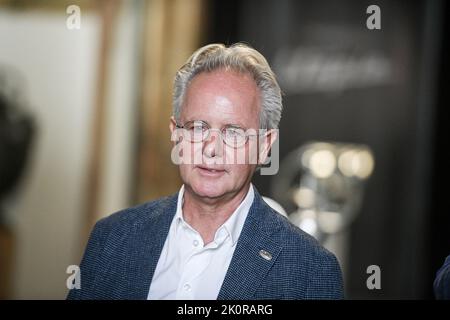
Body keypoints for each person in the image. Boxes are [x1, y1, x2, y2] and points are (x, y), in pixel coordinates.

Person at [67, 43, 344, 300]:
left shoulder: (310, 269)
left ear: (264, 146)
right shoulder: (112, 239)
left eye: (233, 132)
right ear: (176, 135)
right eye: (198, 127)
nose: (211, 149)